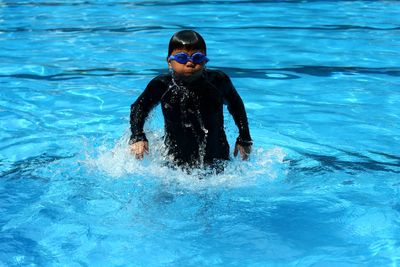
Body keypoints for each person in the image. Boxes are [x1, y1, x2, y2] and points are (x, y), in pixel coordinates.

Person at [129, 30, 252, 170]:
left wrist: (244, 138)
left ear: (205, 60)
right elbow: (139, 107)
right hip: (174, 162)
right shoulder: (162, 85)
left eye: (197, 58)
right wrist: (137, 136)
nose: (190, 63)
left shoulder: (218, 81)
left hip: (217, 160)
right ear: (169, 62)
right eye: (182, 58)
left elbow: (236, 105)